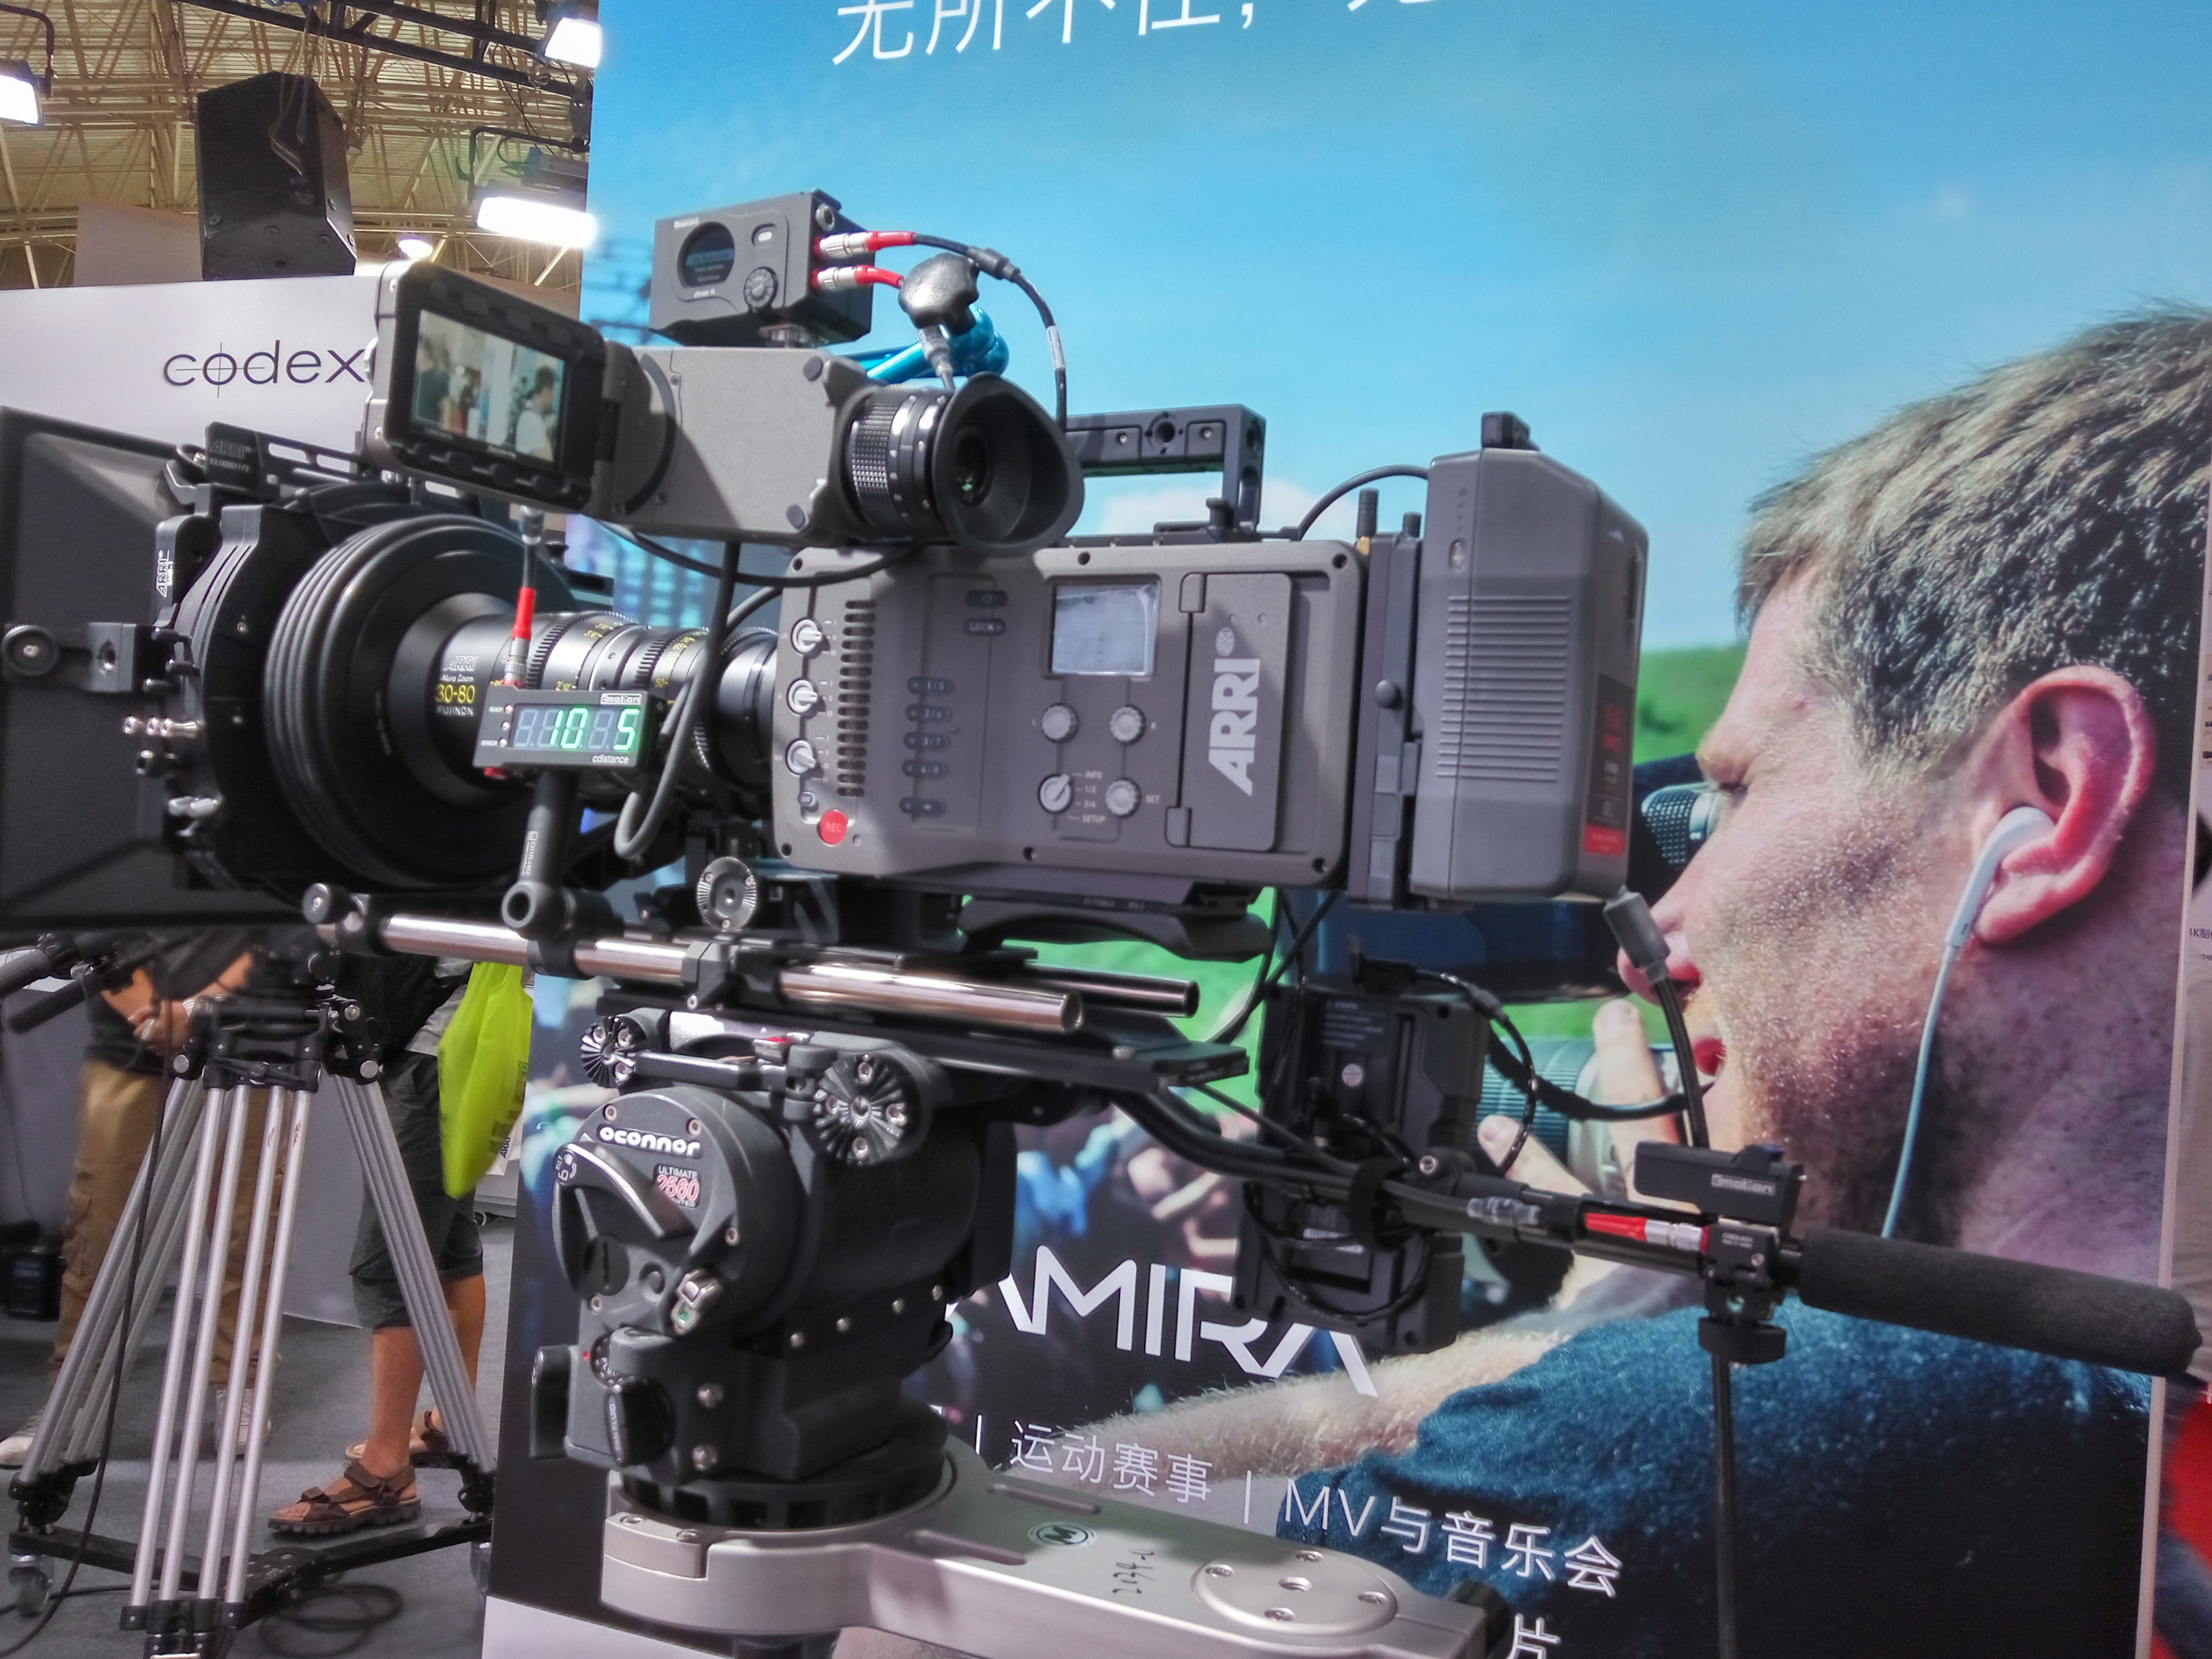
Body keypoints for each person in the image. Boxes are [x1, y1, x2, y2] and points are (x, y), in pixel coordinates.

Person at [1050, 310, 2212, 1657]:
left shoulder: (1722, 1435)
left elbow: (1003, 1556)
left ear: (2050, 801)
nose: (1653, 925)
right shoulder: (2132, 1440)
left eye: (1732, 794)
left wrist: (1594, 1337)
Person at [0, 933, 261, 1468]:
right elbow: (98, 924)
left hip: (248, 1046)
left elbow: (285, 927)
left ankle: (240, 1382)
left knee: (246, 1229)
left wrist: (197, 1009)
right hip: (128, 1046)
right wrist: (159, 1014)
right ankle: (74, 1399)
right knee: (97, 1232)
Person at [268, 954, 482, 1536]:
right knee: (448, 1244)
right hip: (457, 1037)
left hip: (434, 1044)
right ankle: (453, 1421)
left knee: (392, 1257)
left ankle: (387, 1468)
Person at [510, 365, 558, 462]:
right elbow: (547, 460)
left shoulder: (534, 417)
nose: (554, 399)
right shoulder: (531, 419)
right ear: (546, 391)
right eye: (553, 393)